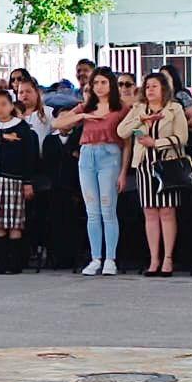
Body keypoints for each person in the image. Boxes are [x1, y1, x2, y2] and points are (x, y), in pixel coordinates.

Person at [54, 67, 130, 276]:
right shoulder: (85, 107)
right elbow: (57, 122)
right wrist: (82, 116)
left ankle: (110, 258)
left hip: (110, 156)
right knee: (92, 212)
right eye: (95, 83)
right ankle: (96, 257)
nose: (99, 87)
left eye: (103, 82)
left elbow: (127, 143)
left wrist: (124, 171)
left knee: (108, 209)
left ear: (111, 84)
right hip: (87, 156)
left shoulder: (121, 108)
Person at [118, 72, 189, 277]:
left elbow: (182, 137)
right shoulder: (139, 109)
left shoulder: (175, 108)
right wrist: (141, 122)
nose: (150, 90)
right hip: (144, 164)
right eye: (147, 86)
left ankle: (168, 258)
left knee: (167, 212)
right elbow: (121, 131)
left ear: (164, 89)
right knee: (150, 212)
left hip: (166, 165)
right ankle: (153, 258)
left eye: (154, 86)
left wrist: (156, 143)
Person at [0, 90, 40, 274]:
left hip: (14, 179)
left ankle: (15, 262)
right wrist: (1, 137)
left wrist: (27, 181)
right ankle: (0, 261)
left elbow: (29, 156)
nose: (0, 108)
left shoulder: (21, 127)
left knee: (14, 222)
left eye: (4, 104)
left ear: (11, 106)